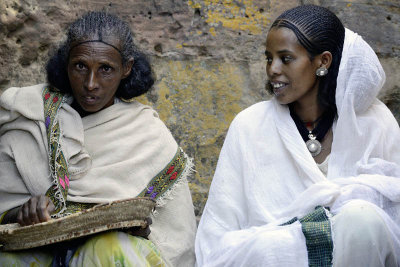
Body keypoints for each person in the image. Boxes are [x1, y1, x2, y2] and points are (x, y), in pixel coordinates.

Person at [195, 5, 400, 267]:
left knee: (361, 219)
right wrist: (285, 243)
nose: (272, 69)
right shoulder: (249, 125)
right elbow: (217, 233)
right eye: (269, 58)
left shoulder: (374, 123)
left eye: (286, 58)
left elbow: (393, 219)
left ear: (322, 62)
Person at [0, 11, 197, 266]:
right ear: (66, 62)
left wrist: (142, 232)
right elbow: (4, 208)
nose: (91, 83)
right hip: (37, 253)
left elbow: (174, 236)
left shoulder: (148, 133)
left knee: (111, 248)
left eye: (105, 69)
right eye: (80, 66)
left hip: (105, 256)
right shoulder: (29, 113)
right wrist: (21, 213)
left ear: (126, 68)